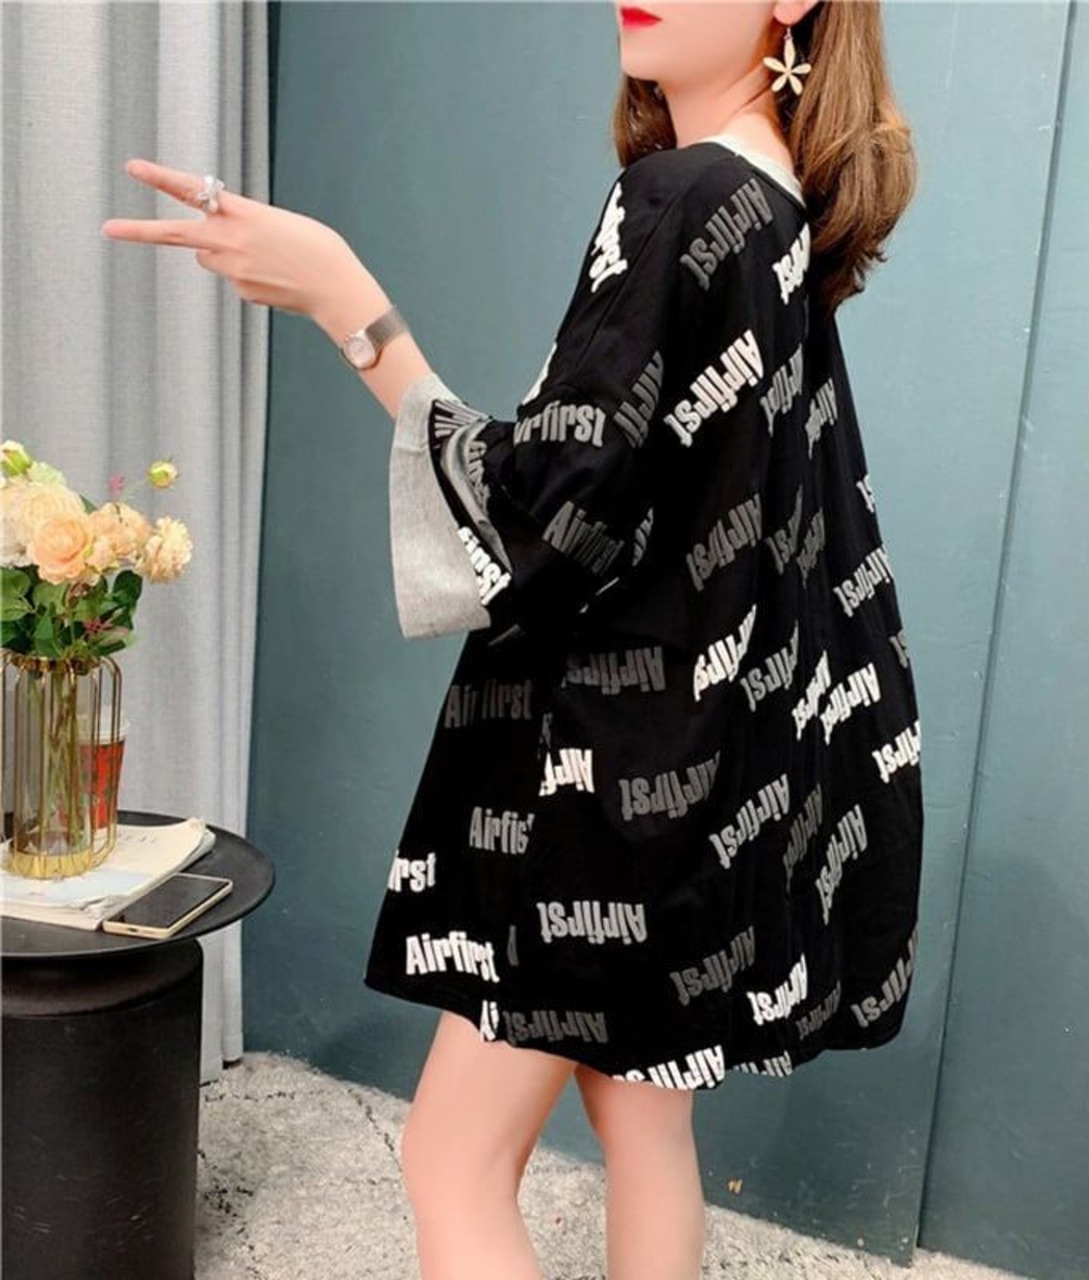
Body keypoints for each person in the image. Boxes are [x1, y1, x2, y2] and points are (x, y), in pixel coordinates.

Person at [103, 3, 922, 1277]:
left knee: (452, 1162)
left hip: (599, 779)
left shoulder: (681, 197)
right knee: (641, 1118)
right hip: (705, 777)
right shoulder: (774, 207)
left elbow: (545, 508)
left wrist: (348, 303)